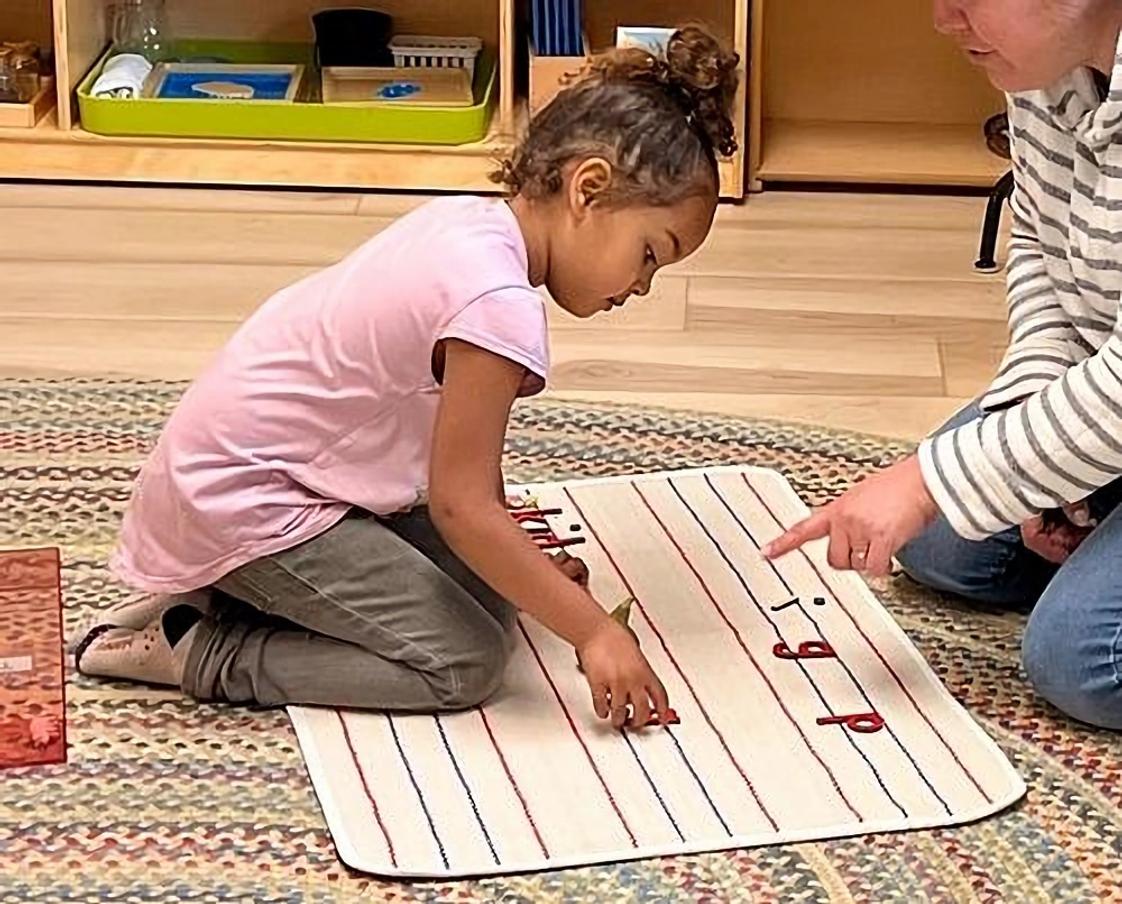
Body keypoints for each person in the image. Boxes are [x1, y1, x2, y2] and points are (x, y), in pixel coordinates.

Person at [74, 27, 740, 731]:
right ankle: (199, 649)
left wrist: (530, 580)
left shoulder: (471, 227)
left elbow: (468, 480)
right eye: (649, 255)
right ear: (588, 190)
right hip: (244, 501)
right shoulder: (495, 305)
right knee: (464, 661)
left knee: (495, 595)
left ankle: (229, 592)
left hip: (259, 473)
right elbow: (462, 509)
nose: (641, 286)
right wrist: (595, 632)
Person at [766, 1, 1122, 729]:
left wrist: (934, 480)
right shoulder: (1045, 69)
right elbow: (1045, 249)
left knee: (1081, 660)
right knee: (940, 544)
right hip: (1105, 385)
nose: (943, 18)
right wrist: (1030, 426)